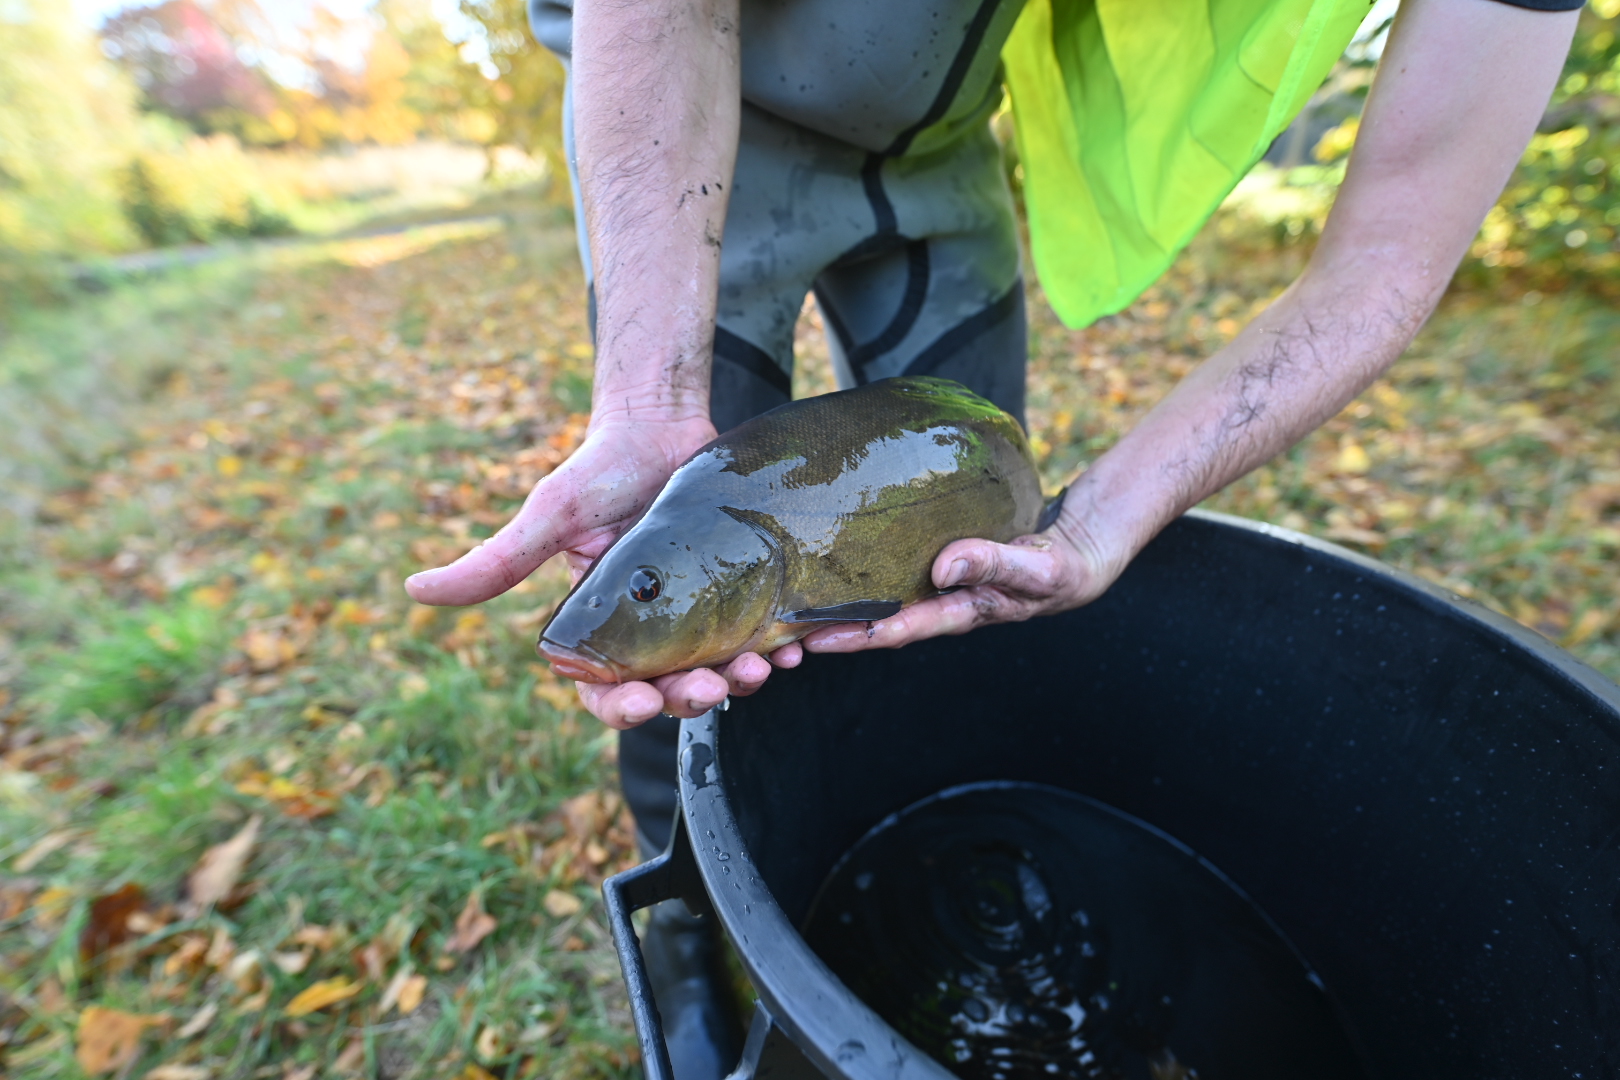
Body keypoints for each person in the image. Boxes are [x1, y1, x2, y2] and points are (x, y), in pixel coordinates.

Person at [405, 0, 1581, 1073]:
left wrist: (1107, 517)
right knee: (684, 654)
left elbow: (1384, 266)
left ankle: (928, 826)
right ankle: (688, 921)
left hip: (944, 152)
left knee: (974, 559)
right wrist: (645, 402)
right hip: (693, 111)